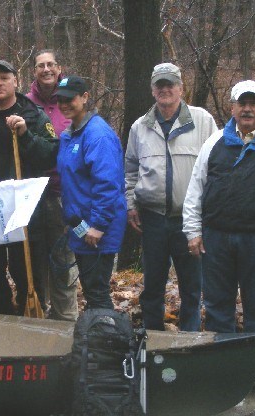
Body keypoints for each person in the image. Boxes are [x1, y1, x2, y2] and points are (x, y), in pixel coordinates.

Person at [183, 80, 255, 399]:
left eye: (253, 103)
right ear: (233, 107)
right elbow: (195, 191)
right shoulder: (214, 144)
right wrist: (193, 232)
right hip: (216, 240)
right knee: (218, 310)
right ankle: (223, 372)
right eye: (241, 103)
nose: (247, 109)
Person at [125, 63, 217, 332]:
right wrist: (131, 204)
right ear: (152, 90)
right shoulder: (140, 127)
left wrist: (208, 214)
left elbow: (216, 170)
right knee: (152, 285)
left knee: (192, 286)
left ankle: (188, 342)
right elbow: (130, 170)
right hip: (152, 220)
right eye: (159, 85)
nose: (165, 89)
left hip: (189, 222)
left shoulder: (202, 121)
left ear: (181, 88)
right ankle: (153, 339)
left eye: (170, 84)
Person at [0, 60, 58, 315]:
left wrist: (26, 135)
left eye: (4, 78)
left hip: (23, 208)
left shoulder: (33, 114)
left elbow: (51, 155)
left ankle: (31, 319)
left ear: (16, 81)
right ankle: (1, 319)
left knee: (26, 270)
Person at [56, 75, 127, 310]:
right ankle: (95, 334)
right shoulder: (70, 134)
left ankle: (105, 338)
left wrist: (98, 225)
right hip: (80, 226)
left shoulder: (98, 134)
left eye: (70, 99)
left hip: (98, 230)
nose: (64, 104)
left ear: (85, 97)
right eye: (60, 100)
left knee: (97, 292)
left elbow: (108, 184)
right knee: (90, 289)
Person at [25, 49, 78, 321]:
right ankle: (37, 315)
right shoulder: (24, 104)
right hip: (32, 193)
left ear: (59, 69)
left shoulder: (70, 102)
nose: (45, 69)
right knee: (35, 260)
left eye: (50, 65)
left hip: (63, 193)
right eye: (40, 66)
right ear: (34, 71)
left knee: (62, 258)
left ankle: (66, 317)